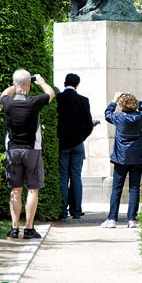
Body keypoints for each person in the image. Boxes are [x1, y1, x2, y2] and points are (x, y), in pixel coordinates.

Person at [0, 69, 55, 239]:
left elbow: (4, 93)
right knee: (32, 189)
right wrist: (41, 82)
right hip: (32, 150)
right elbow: (51, 93)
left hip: (13, 150)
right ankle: (29, 228)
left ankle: (14, 228)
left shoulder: (7, 102)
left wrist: (18, 83)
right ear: (29, 85)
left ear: (15, 84)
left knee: (15, 190)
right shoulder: (34, 101)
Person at [100, 92, 142, 229]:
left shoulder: (118, 118)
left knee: (116, 189)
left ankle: (112, 219)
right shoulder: (140, 118)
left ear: (121, 105)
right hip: (137, 157)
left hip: (121, 158)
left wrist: (114, 100)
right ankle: (132, 220)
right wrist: (136, 100)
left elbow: (107, 113)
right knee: (134, 189)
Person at [56, 73, 96, 219]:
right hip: (78, 144)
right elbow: (88, 124)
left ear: (65, 83)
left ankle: (62, 210)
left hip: (63, 144)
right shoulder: (83, 100)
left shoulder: (58, 99)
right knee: (76, 177)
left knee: (62, 176)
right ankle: (76, 211)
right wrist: (81, 137)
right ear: (77, 85)